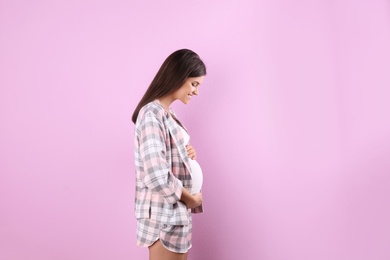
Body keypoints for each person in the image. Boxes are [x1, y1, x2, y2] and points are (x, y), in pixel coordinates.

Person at [132, 49, 206, 260]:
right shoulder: (151, 114)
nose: (196, 92)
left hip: (175, 215)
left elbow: (167, 158)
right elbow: (156, 174)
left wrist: (186, 154)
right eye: (194, 84)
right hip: (163, 216)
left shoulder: (168, 114)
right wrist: (190, 198)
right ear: (178, 76)